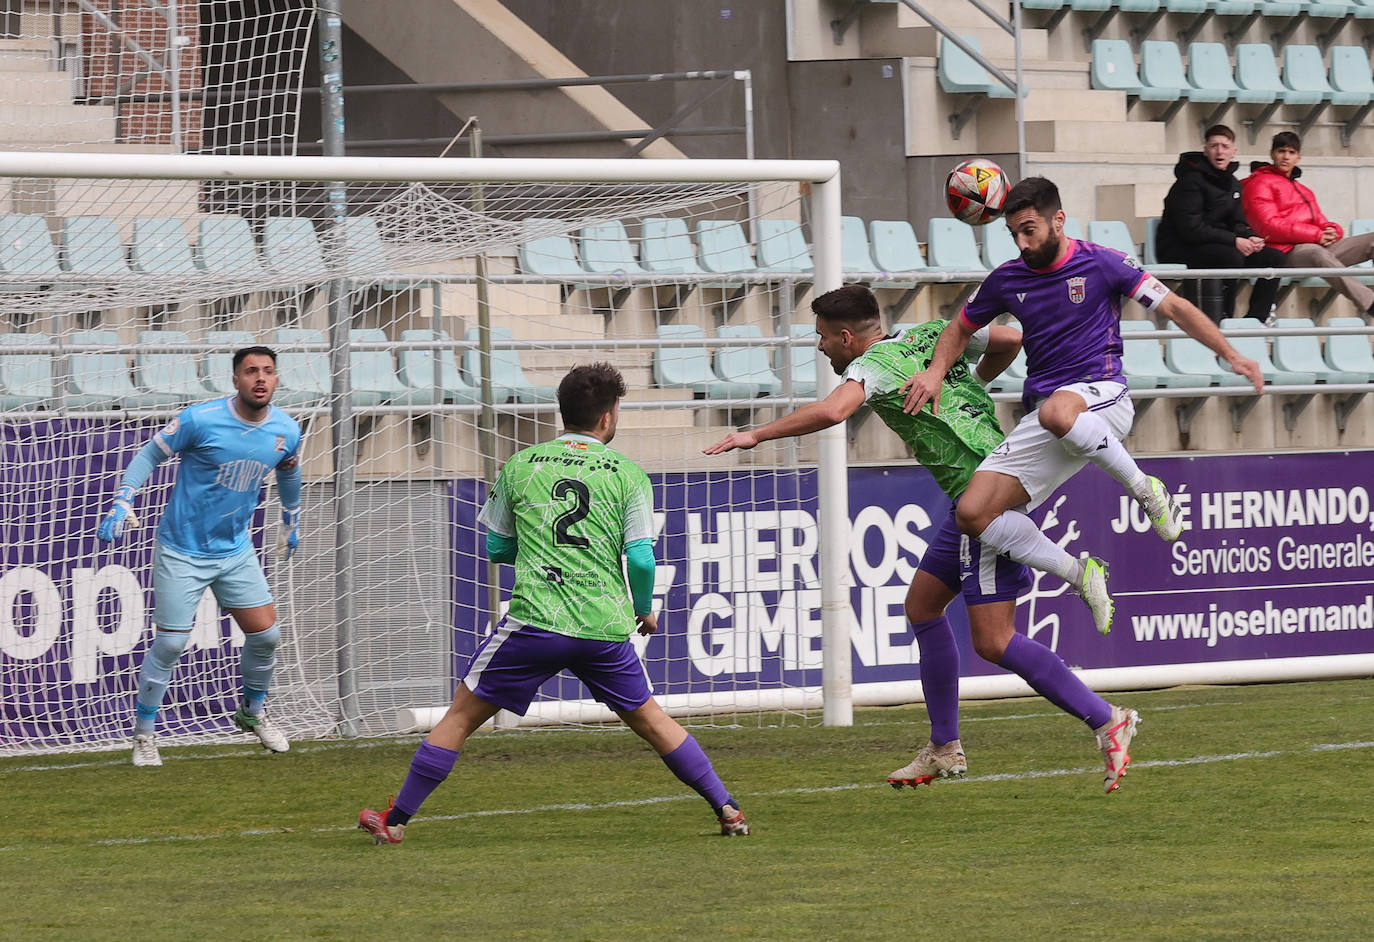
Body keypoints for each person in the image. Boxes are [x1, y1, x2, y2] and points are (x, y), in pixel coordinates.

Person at [705, 285, 1144, 794]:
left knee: (994, 641)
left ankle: (1105, 718)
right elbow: (1008, 339)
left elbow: (832, 412)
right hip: (988, 483)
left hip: (980, 497)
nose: (821, 348)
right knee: (923, 607)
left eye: (823, 339)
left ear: (847, 337)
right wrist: (966, 383)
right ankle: (943, 747)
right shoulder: (932, 336)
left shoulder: (877, 363)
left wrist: (753, 435)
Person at [359, 363, 750, 844]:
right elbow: (642, 559)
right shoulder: (628, 474)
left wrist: (544, 552)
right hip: (602, 628)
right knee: (651, 720)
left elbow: (497, 551)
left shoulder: (521, 465)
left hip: (536, 624)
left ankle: (394, 821)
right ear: (608, 418)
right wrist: (643, 608)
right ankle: (727, 808)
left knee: (459, 717)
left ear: (562, 413)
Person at [902, 176, 1263, 641]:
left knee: (1058, 412)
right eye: (1013, 232)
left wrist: (1231, 354)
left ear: (1058, 220)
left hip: (1102, 399)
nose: (1021, 241)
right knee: (972, 513)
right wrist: (934, 373)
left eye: (1029, 229)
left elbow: (1173, 307)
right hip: (1048, 416)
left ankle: (1145, 488)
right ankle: (1080, 574)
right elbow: (958, 329)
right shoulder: (1008, 278)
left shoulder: (1105, 263)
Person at [97, 345, 302, 767]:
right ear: (236, 380)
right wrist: (123, 499)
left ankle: (252, 712)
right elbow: (150, 454)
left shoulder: (286, 429)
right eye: (250, 372)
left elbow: (289, 469)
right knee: (171, 644)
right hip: (182, 549)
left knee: (266, 636)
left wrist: (291, 519)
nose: (260, 378)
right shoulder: (200, 419)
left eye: (267, 371)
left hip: (235, 549)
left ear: (277, 379)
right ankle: (144, 735)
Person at [1155, 123, 1286, 323]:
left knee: (1274, 258)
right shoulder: (1190, 181)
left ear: (1234, 152)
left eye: (1225, 146)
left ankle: (1255, 321)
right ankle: (1223, 319)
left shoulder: (1233, 183)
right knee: (1230, 256)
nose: (1219, 151)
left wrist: (1249, 236)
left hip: (1217, 244)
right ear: (1205, 151)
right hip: (1180, 246)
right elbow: (1191, 229)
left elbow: (1237, 222)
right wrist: (1234, 241)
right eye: (1214, 146)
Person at [1241, 131, 1374, 319]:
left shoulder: (1303, 190)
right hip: (1285, 252)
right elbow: (1268, 226)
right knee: (1316, 252)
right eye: (1281, 151)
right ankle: (1369, 302)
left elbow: (1320, 220)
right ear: (1272, 154)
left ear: (1298, 157)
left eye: (1291, 152)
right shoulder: (1259, 183)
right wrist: (1316, 235)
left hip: (1315, 249)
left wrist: (1332, 230)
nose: (1286, 156)